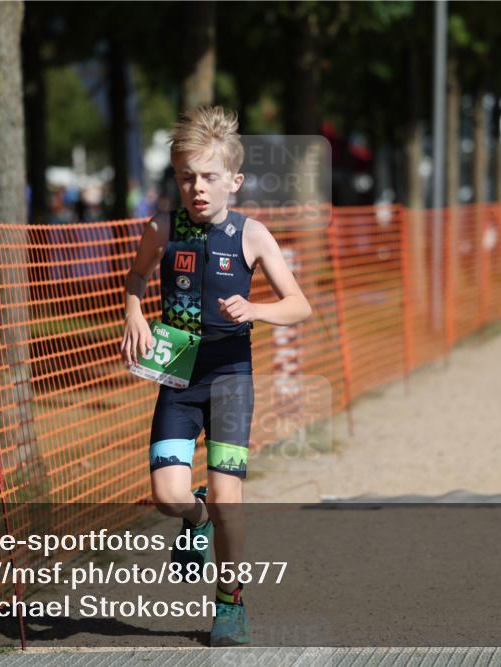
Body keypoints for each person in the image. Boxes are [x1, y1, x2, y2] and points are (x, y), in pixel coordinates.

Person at [120, 106, 312, 646]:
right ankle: (194, 517)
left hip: (230, 376)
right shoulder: (161, 228)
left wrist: (256, 310)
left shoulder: (252, 235)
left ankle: (230, 604)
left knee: (232, 500)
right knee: (165, 495)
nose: (197, 188)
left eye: (209, 177)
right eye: (187, 177)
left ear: (234, 180)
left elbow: (299, 305)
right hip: (177, 374)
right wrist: (135, 311)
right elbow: (136, 276)